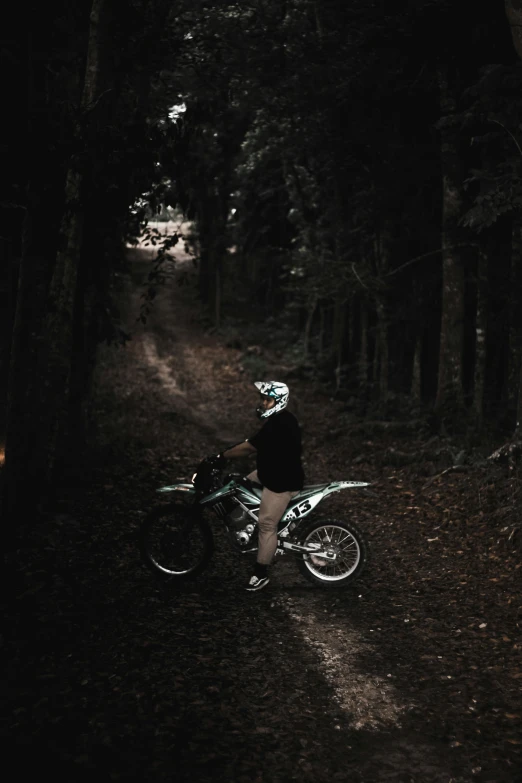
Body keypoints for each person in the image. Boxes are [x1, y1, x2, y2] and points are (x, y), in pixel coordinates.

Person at [217, 381, 305, 591]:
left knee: (266, 524)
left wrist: (222, 456)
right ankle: (251, 526)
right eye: (263, 399)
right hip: (269, 474)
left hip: (282, 482)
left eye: (268, 400)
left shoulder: (280, 424)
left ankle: (261, 574)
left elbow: (249, 447)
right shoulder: (279, 419)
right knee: (236, 487)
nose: (263, 403)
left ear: (279, 401)